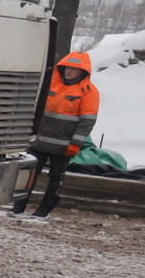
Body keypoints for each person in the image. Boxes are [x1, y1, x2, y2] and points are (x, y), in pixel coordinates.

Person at [13, 51, 99, 218]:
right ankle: (18, 207)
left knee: (56, 176)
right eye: (67, 67)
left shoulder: (89, 92)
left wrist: (75, 144)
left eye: (74, 68)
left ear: (82, 71)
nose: (69, 71)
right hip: (39, 142)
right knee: (29, 173)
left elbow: (87, 122)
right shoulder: (51, 84)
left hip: (64, 146)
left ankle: (43, 211)